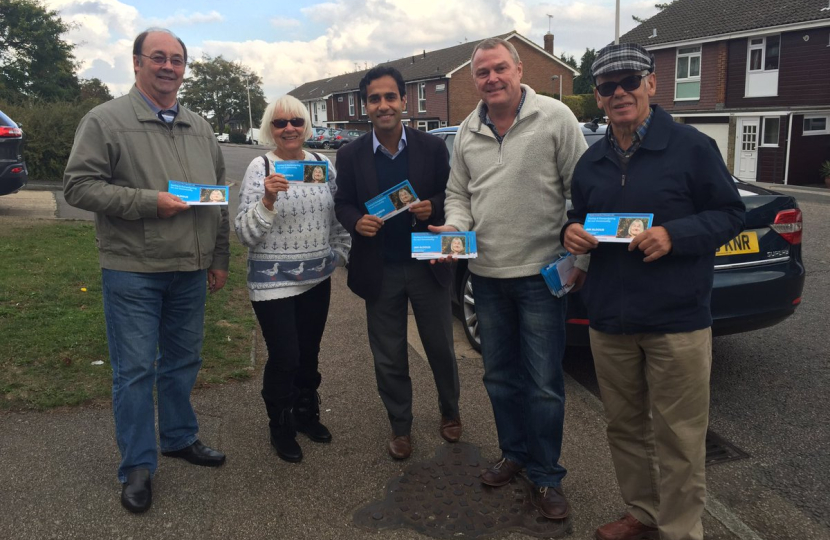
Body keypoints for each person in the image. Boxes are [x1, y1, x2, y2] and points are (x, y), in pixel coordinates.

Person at [561, 43, 745, 540]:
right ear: (597, 97)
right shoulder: (592, 161)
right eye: (607, 86)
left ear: (651, 84)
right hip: (611, 319)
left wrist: (675, 234)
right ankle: (642, 512)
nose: (619, 93)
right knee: (623, 427)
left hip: (676, 319)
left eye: (629, 81)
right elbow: (578, 217)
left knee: (681, 436)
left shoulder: (691, 146)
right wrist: (571, 232)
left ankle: (681, 529)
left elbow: (730, 214)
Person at [63, 28, 229, 514]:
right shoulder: (105, 120)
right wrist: (146, 203)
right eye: (158, 57)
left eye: (177, 59)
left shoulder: (200, 128)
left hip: (190, 269)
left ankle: (178, 437)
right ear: (136, 63)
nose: (168, 67)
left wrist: (218, 258)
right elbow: (78, 186)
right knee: (134, 371)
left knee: (182, 361)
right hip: (133, 269)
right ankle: (137, 465)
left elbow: (217, 198)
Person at [432, 37, 588, 521]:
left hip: (542, 275)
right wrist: (454, 231)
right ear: (474, 80)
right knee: (499, 377)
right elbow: (458, 194)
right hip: (486, 276)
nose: (492, 79)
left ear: (520, 70)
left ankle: (546, 476)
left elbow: (582, 192)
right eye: (483, 73)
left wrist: (581, 262)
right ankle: (514, 453)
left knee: (543, 384)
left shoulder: (556, 119)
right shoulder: (466, 133)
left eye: (500, 69)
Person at [334, 65, 461, 460]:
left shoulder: (431, 148)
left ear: (404, 101)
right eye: (375, 98)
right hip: (380, 269)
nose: (383, 105)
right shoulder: (351, 154)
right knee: (388, 354)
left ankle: (450, 411)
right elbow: (343, 203)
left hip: (428, 264)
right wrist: (357, 221)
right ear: (365, 106)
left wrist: (432, 207)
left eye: (391, 97)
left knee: (440, 346)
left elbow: (450, 194)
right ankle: (400, 426)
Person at [235, 94, 349, 463]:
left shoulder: (322, 165)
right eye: (281, 123)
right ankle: (280, 424)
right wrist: (266, 202)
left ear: (306, 127)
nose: (289, 129)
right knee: (285, 355)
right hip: (272, 281)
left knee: (309, 354)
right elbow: (245, 234)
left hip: (316, 277)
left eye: (296, 122)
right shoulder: (260, 167)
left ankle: (305, 413)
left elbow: (338, 219)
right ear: (271, 128)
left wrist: (339, 254)